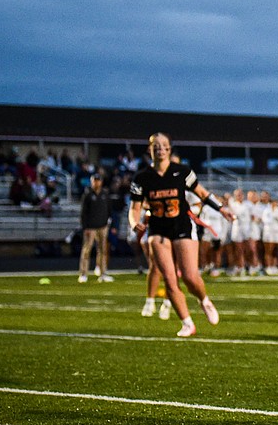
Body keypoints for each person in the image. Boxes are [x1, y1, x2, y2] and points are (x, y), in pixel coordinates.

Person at [128, 133, 234, 337]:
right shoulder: (141, 178)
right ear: (150, 150)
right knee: (169, 279)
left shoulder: (182, 172)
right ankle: (187, 322)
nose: (160, 148)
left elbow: (203, 194)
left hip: (182, 226)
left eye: (164, 145)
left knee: (190, 276)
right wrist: (135, 223)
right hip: (158, 229)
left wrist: (221, 209)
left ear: (169, 149)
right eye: (155, 145)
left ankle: (204, 300)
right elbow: (135, 207)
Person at [78, 173, 113, 283]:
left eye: (98, 180)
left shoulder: (105, 194)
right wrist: (85, 227)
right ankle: (83, 273)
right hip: (91, 227)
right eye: (94, 180)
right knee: (86, 250)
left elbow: (109, 209)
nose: (96, 182)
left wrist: (107, 222)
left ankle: (103, 273)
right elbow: (84, 213)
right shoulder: (88, 195)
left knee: (103, 250)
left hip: (102, 226)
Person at [261, 198, 278, 274]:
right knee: (268, 250)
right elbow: (265, 220)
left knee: (276, 251)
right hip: (268, 233)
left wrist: (277, 218)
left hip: (277, 233)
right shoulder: (266, 211)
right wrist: (273, 218)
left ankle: (274, 266)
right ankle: (268, 266)